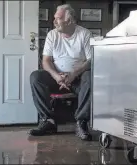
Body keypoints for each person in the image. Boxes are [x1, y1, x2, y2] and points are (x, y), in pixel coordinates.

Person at [29, 4, 93, 141]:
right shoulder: (52, 35)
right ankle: (48, 121)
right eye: (54, 18)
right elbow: (46, 61)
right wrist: (57, 76)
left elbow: (90, 61)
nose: (54, 21)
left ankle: (81, 122)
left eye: (58, 19)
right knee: (36, 77)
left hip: (78, 78)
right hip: (57, 77)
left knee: (90, 76)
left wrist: (73, 74)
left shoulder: (84, 34)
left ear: (69, 21)